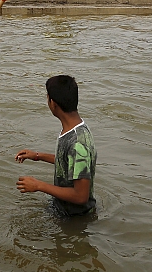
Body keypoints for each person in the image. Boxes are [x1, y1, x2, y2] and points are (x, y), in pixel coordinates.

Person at [15, 75, 96, 216]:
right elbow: (68, 162)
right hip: (63, 208)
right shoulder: (73, 128)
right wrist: (37, 156)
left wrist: (39, 185)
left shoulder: (78, 143)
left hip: (74, 215)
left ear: (53, 103)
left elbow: (81, 196)